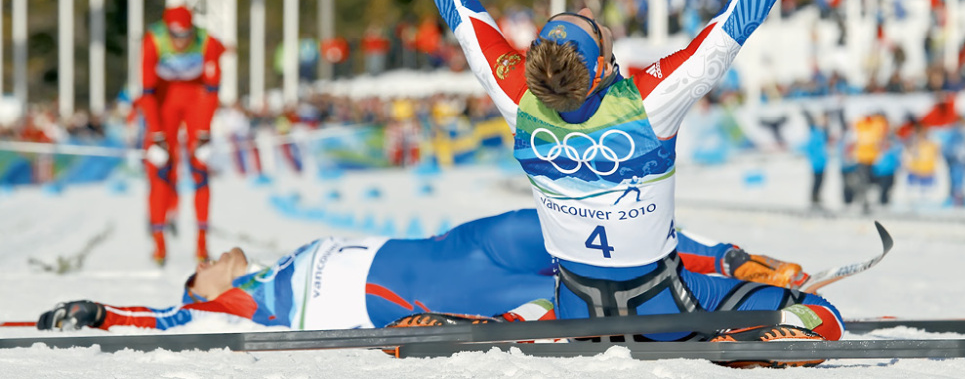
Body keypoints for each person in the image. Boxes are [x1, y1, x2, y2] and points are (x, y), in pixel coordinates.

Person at [401, 0, 841, 354]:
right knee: (821, 313)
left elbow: (458, 5)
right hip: (663, 306)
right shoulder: (650, 101)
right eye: (594, 26)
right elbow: (743, 12)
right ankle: (759, 335)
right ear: (605, 67)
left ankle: (497, 324)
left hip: (577, 308)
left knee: (555, 300)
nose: (591, 14)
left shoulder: (517, 95)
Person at [36, 208, 832, 334]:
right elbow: (167, 325)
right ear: (203, 293)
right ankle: (763, 311)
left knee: (562, 222)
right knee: (586, 294)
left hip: (453, 247)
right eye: (197, 270)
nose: (206, 259)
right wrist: (101, 315)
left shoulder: (267, 263)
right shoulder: (228, 309)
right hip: (423, 291)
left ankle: (726, 260)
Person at [140, 6, 225, 266]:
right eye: (175, 36)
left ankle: (201, 244)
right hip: (164, 102)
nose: (180, 42)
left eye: (185, 35)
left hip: (194, 101)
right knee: (160, 169)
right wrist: (156, 133)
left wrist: (204, 132)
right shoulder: (153, 41)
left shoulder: (207, 41)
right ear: (167, 32)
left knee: (200, 168)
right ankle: (159, 244)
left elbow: (212, 90)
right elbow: (146, 92)